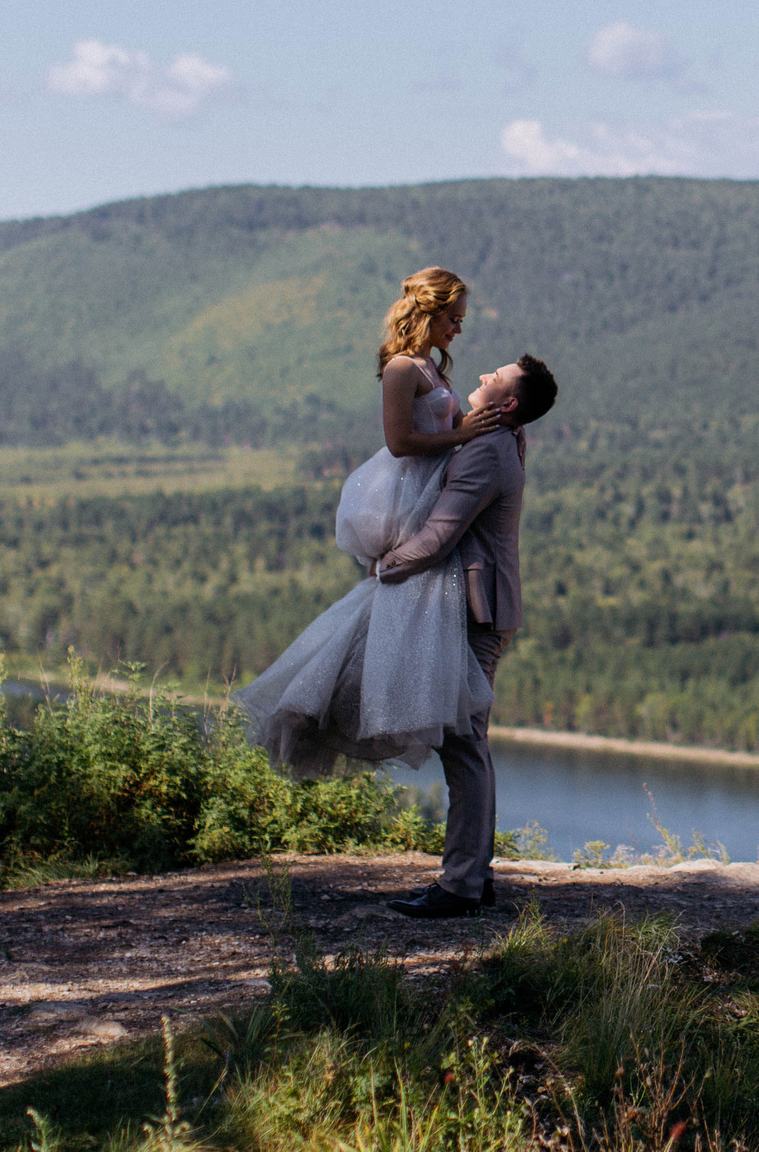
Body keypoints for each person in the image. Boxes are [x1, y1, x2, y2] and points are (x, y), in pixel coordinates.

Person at [231, 268, 510, 778]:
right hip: (414, 496)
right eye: (454, 318)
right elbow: (400, 442)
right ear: (429, 312)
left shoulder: (431, 367)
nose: (459, 330)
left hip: (436, 494)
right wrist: (462, 434)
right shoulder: (403, 369)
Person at [380, 351, 561, 920]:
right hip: (487, 607)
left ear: (507, 405)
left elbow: (438, 537)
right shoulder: (502, 439)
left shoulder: (486, 450)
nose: (483, 375)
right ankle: (472, 875)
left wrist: (384, 566)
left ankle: (460, 884)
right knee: (469, 741)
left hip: (479, 611)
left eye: (496, 378)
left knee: (462, 744)